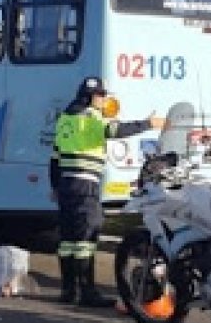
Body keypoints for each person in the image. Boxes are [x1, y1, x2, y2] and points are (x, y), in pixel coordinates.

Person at [49, 76, 164, 306]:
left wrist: (55, 187)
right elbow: (116, 130)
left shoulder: (65, 118)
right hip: (85, 185)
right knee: (87, 238)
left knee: (68, 240)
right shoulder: (92, 117)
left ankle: (69, 291)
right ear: (91, 97)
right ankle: (88, 293)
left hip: (66, 184)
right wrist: (149, 124)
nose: (103, 100)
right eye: (101, 95)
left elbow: (54, 158)